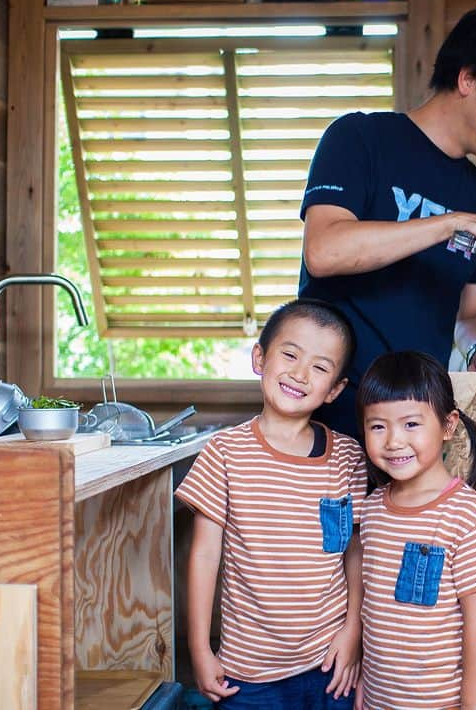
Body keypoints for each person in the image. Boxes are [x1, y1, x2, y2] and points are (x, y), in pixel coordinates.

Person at [298, 1, 476, 436]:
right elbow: (324, 251)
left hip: (414, 431)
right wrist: (450, 223)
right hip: (330, 419)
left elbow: (473, 310)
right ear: (469, 78)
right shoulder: (359, 139)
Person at [175, 299, 368, 709]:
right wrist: (199, 648)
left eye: (319, 367)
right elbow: (205, 555)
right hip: (248, 673)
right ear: (259, 357)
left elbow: (354, 551)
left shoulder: (347, 457)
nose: (300, 374)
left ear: (335, 389)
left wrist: (353, 631)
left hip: (330, 665)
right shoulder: (225, 452)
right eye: (290, 354)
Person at [353, 351, 476, 709]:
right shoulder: (373, 508)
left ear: (448, 425)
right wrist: (364, 678)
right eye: (377, 426)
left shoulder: (467, 515)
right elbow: (373, 612)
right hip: (381, 700)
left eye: (411, 424)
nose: (393, 440)